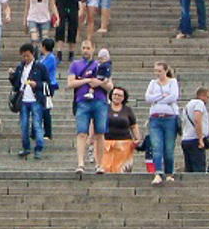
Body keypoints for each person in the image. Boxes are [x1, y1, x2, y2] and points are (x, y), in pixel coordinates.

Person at [68, 39, 111, 175]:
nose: (86, 50)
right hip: (82, 101)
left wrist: (98, 83)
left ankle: (99, 164)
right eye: (84, 48)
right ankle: (81, 163)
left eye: (88, 48)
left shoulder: (101, 65)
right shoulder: (76, 65)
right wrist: (86, 81)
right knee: (81, 133)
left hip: (100, 100)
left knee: (100, 133)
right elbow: (70, 83)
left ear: (93, 49)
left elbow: (110, 85)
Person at [10, 42, 49, 159]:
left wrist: (36, 84)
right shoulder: (20, 67)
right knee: (24, 124)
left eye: (27, 55)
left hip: (36, 99)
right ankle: (26, 147)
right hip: (23, 100)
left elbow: (47, 83)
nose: (25, 58)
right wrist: (12, 76)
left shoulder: (40, 67)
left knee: (37, 124)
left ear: (33, 54)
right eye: (23, 56)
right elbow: (16, 85)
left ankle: (39, 148)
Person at [144, 62, 180, 184]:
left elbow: (174, 97)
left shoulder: (172, 82)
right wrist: (161, 95)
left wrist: (157, 99)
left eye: (159, 71)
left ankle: (169, 173)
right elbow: (147, 98)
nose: (157, 73)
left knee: (169, 148)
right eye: (156, 71)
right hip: (155, 118)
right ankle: (158, 172)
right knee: (156, 146)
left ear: (165, 71)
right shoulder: (152, 83)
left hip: (170, 118)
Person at [101, 86, 140, 174]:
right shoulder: (104, 108)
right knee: (105, 169)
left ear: (123, 98)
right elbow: (96, 122)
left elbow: (133, 126)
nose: (117, 97)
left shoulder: (128, 110)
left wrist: (137, 139)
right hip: (107, 144)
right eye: (115, 94)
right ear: (111, 96)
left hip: (124, 144)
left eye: (119, 95)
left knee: (122, 170)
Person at [180, 86, 209, 173]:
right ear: (202, 96)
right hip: (195, 140)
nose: (208, 100)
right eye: (207, 97)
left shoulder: (187, 105)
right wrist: (201, 139)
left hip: (186, 139)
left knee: (189, 169)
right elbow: (197, 119)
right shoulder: (199, 103)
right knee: (199, 168)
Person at [39, 37, 59, 141]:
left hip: (49, 85)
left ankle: (48, 132)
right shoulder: (43, 57)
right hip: (42, 85)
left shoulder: (51, 58)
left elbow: (43, 69)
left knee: (46, 108)